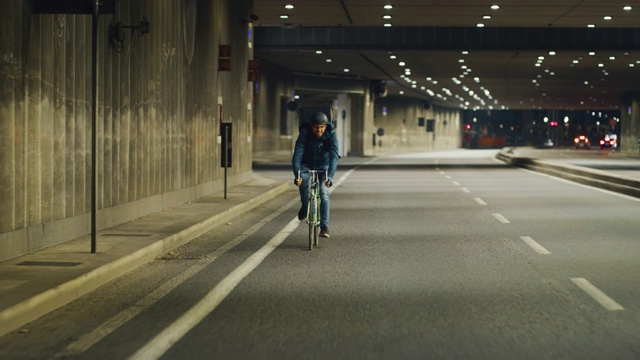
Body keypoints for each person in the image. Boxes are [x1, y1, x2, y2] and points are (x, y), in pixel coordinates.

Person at [292, 111, 339, 238]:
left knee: (324, 193)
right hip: (306, 164)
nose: (319, 130)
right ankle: (305, 205)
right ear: (311, 126)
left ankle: (324, 227)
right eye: (316, 127)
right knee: (304, 180)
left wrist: (329, 176)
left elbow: (334, 157)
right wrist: (297, 175)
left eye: (322, 127)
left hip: (324, 166)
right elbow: (297, 156)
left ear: (326, 126)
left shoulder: (331, 134)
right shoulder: (304, 134)